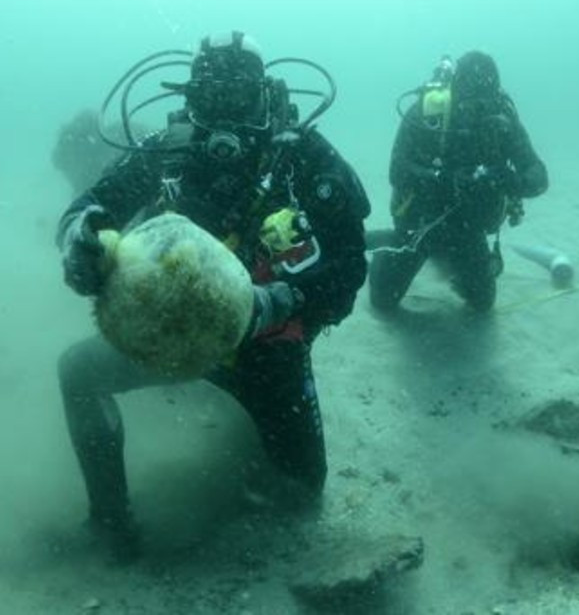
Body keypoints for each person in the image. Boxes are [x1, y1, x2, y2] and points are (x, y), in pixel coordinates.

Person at [55, 31, 370, 562]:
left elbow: (350, 265)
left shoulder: (302, 157)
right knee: (78, 373)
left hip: (267, 349)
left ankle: (236, 420)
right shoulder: (165, 153)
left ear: (266, 98)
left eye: (238, 99)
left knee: (301, 491)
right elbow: (91, 206)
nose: (223, 118)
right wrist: (76, 240)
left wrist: (278, 300)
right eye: (209, 99)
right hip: (170, 334)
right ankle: (110, 521)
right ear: (189, 100)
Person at [369, 51, 548, 313]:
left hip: (468, 229)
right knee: (383, 301)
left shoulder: (503, 122)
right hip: (420, 223)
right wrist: (446, 179)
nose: (477, 109)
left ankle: (439, 256)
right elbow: (397, 171)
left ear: (495, 94)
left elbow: (538, 175)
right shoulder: (429, 113)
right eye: (469, 100)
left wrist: (511, 182)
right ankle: (388, 247)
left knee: (482, 303)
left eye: (485, 101)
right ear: (454, 92)